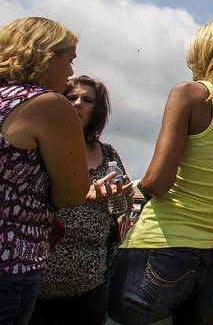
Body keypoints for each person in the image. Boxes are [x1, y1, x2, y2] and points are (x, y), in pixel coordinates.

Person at [107, 20, 213, 325]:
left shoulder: (190, 95)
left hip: (160, 247)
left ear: (205, 51)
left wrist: (127, 190)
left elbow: (158, 182)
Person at [0, 17, 124, 325]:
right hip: (12, 258)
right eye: (68, 61)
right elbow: (70, 194)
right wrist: (87, 191)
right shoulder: (49, 105)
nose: (70, 73)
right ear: (45, 55)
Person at [31, 75, 131, 325]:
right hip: (38, 278)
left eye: (87, 100)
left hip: (92, 282)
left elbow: (118, 210)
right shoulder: (39, 145)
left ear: (97, 110)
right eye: (71, 97)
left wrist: (119, 197)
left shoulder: (108, 153)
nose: (77, 103)